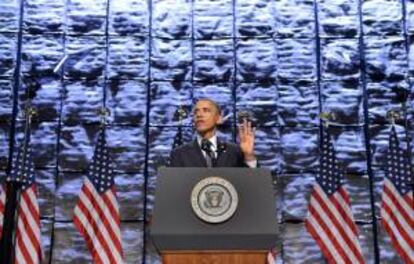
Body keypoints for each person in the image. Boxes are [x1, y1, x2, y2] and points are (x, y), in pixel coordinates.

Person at [169, 98, 257, 168]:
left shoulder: (233, 152)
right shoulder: (179, 154)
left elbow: (251, 185)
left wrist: (248, 156)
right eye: (196, 112)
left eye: (206, 110)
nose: (199, 115)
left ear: (219, 119)